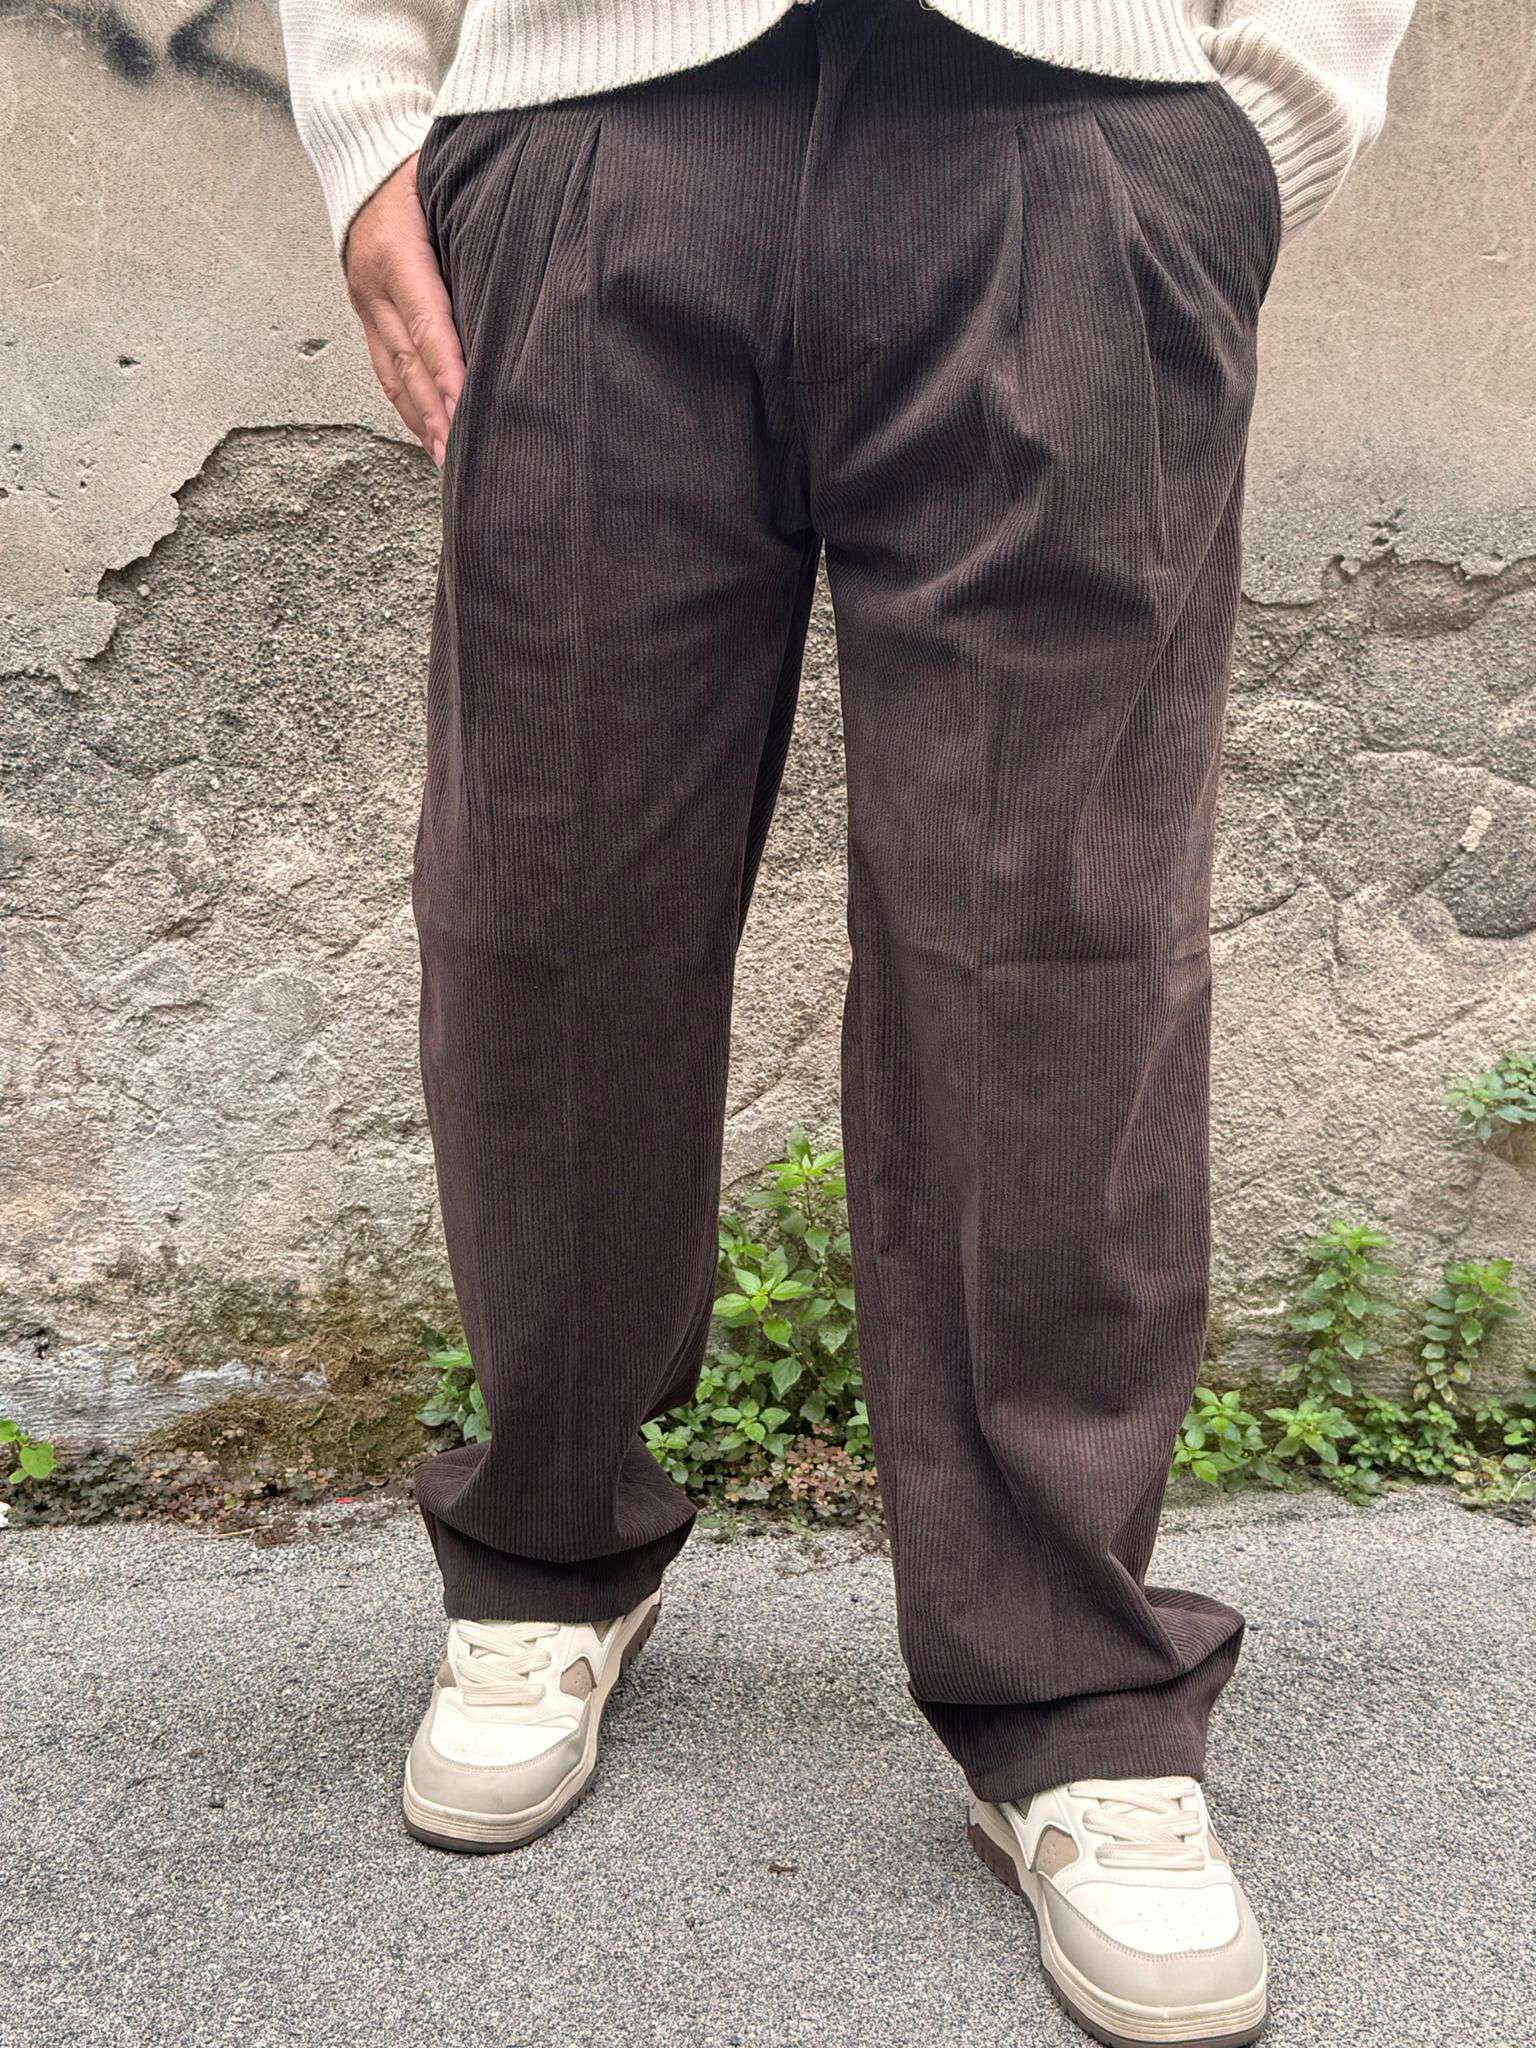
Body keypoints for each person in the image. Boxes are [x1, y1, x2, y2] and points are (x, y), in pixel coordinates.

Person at [277, 1, 1413, 2039]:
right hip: (593, 132)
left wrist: (1262, 129)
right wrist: (371, 130)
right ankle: (550, 1546)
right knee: (550, 902)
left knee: (1055, 940)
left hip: (1070, 137)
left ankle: (1072, 1690)